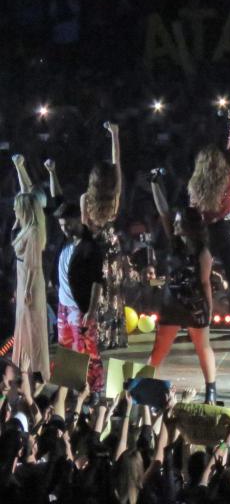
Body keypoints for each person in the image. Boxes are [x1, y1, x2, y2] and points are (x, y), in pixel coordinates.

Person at [147, 171, 217, 404]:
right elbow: (163, 211)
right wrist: (156, 183)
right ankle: (145, 387)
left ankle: (211, 392)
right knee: (159, 348)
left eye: (179, 221)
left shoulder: (203, 252)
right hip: (172, 301)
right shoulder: (174, 242)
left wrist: (210, 308)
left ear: (188, 225)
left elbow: (205, 282)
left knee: (202, 347)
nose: (174, 223)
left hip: (195, 303)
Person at [188, 109, 230, 339]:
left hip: (206, 233)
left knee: (202, 279)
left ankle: (204, 321)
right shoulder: (228, 171)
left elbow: (192, 211)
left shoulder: (196, 185)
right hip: (226, 230)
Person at [80, 122, 126, 349]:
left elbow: (83, 228)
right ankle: (114, 335)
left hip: (95, 248)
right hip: (112, 247)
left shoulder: (85, 200)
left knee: (96, 290)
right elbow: (117, 165)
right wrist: (114, 135)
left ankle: (98, 334)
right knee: (113, 291)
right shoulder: (114, 197)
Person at [53, 201, 106, 396]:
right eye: (61, 225)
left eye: (67, 224)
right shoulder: (65, 241)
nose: (64, 229)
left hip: (79, 307)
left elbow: (97, 282)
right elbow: (56, 197)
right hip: (63, 305)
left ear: (77, 220)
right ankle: (70, 389)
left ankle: (96, 390)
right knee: (66, 348)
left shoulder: (90, 247)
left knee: (87, 350)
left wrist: (91, 310)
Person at [10, 155, 50, 385]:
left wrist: (26, 290)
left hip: (30, 280)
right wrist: (20, 167)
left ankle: (35, 369)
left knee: (32, 324)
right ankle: (25, 365)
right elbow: (25, 191)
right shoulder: (25, 226)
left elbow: (34, 263)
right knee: (23, 322)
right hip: (22, 277)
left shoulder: (34, 230)